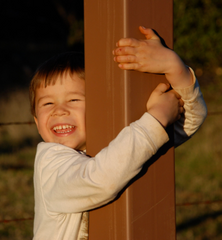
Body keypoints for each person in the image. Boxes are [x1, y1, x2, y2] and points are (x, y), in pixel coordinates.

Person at [29, 26, 207, 240]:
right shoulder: (50, 163)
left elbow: (191, 118)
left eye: (73, 100)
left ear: (100, 108)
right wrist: (156, 119)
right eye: (47, 103)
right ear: (37, 121)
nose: (59, 110)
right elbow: (99, 180)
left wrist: (175, 67)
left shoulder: (116, 141)